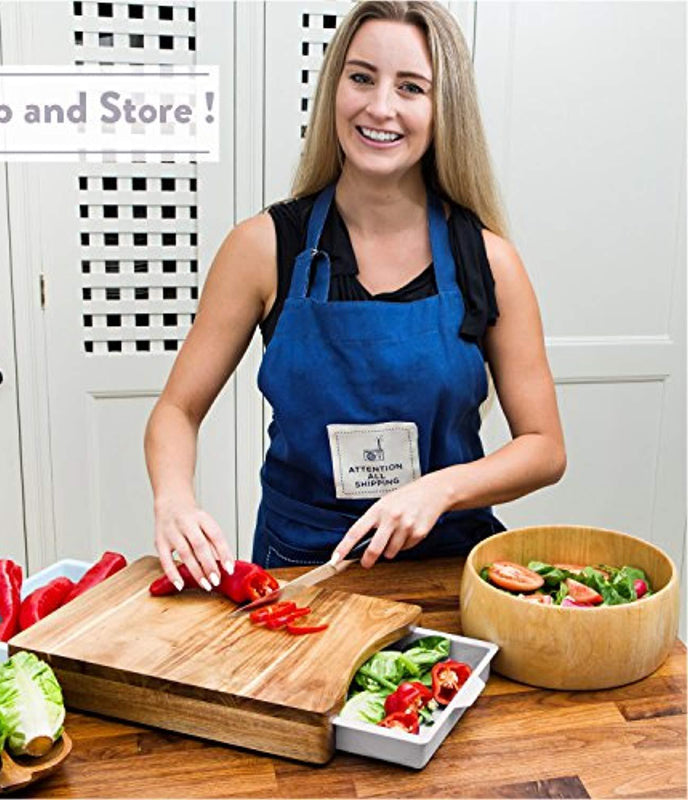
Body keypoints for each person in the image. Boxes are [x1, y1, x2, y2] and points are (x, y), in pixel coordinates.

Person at [144, 0, 566, 592]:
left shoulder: (490, 260)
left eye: (411, 87)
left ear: (444, 109)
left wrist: (438, 489)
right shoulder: (262, 248)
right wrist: (174, 501)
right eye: (361, 77)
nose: (380, 107)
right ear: (334, 90)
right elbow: (176, 410)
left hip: (447, 568)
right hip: (299, 565)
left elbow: (545, 447)